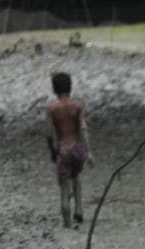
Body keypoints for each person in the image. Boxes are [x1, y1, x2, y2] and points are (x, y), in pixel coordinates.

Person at [46, 71, 91, 229]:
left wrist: (52, 150)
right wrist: (89, 152)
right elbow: (83, 128)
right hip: (78, 149)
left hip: (63, 149)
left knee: (64, 188)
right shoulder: (78, 106)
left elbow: (49, 133)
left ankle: (67, 225)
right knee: (76, 176)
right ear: (70, 87)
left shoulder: (52, 109)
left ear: (54, 89)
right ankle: (79, 208)